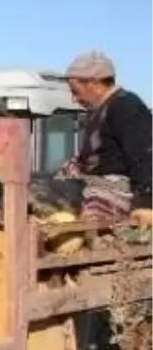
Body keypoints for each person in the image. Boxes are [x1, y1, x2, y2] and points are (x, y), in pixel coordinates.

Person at [33, 50, 153, 226]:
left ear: (95, 83)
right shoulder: (99, 110)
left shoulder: (126, 107)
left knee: (38, 191)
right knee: (33, 180)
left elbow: (145, 157)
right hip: (90, 181)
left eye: (76, 91)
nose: (75, 99)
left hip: (112, 189)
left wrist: (145, 205)